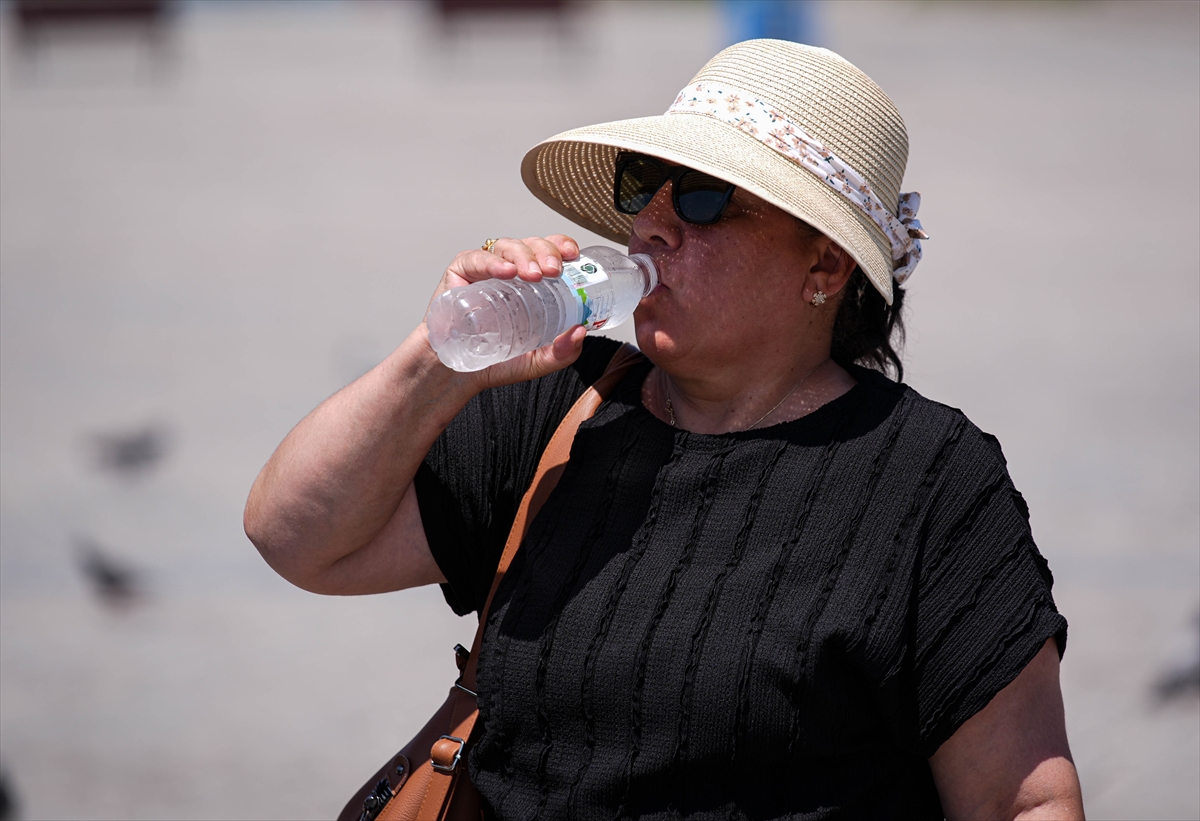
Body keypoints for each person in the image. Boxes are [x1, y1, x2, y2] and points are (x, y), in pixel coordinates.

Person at [245, 40, 1084, 820]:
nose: (652, 222)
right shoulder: (566, 409)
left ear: (823, 266)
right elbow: (297, 538)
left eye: (707, 198)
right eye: (645, 182)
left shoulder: (928, 481)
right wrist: (436, 359)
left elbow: (1027, 798)